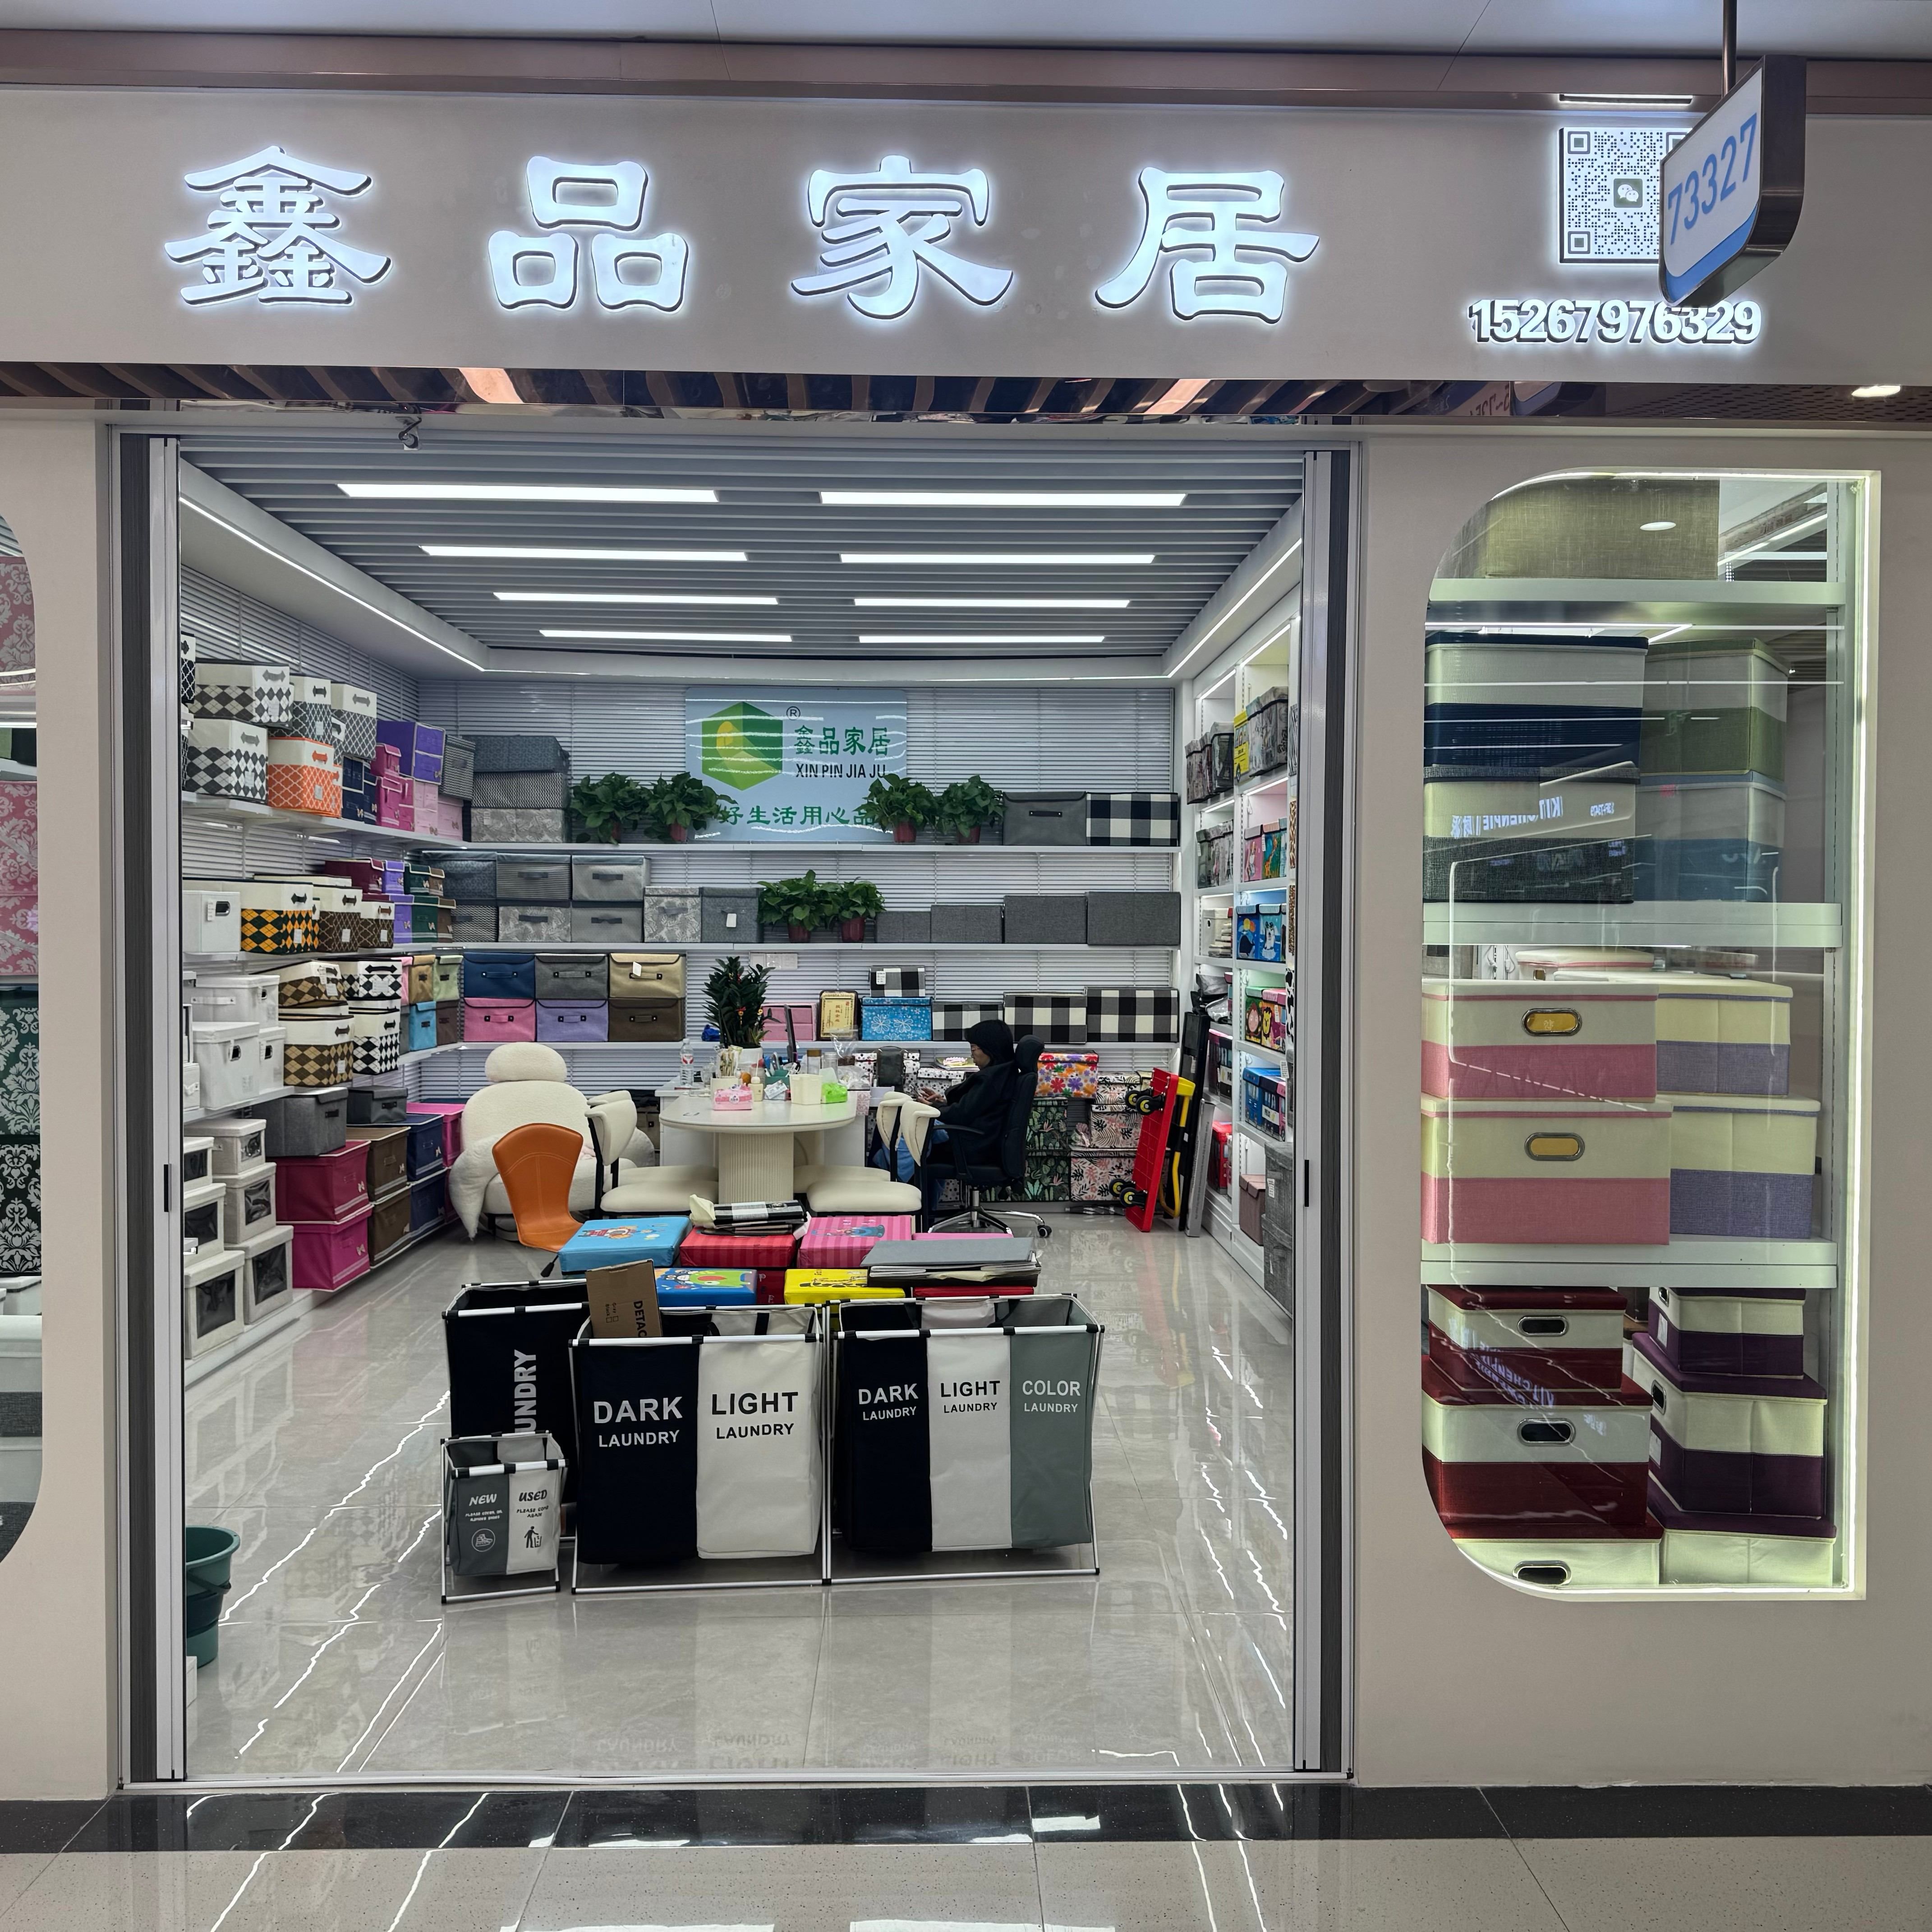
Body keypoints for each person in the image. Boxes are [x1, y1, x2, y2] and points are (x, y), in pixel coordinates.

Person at [917, 1018, 1017, 1219]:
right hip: (986, 1143)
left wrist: (933, 1108)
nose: (972, 1054)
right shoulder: (1004, 1072)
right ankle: (923, 1213)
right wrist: (943, 1102)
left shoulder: (991, 1079)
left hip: (973, 1148)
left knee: (913, 1144)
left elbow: (961, 1115)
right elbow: (977, 1109)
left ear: (989, 1048)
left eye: (974, 1048)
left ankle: (902, 1202)